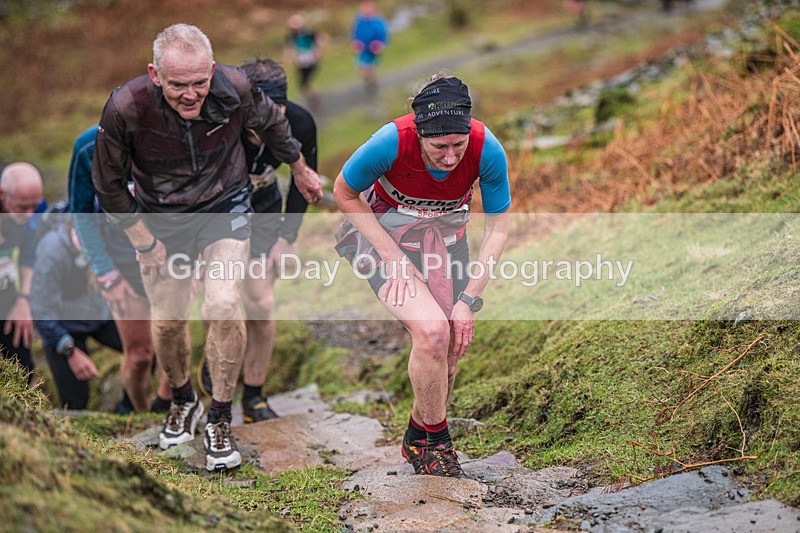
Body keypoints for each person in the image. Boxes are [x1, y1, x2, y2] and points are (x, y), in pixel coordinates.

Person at [92, 23, 322, 471]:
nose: (191, 94)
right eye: (178, 85)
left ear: (212, 70)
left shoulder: (233, 86)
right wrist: (143, 242)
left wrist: (298, 166)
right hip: (161, 217)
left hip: (225, 206)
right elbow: (108, 185)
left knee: (222, 303)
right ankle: (182, 400)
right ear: (155, 75)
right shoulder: (127, 106)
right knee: (169, 320)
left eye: (200, 82)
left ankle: (219, 416)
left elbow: (274, 122)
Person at [334, 75, 511, 478]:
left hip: (448, 243)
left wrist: (470, 300)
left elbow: (499, 227)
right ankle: (437, 445)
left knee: (447, 355)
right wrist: (391, 254)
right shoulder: (390, 141)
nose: (451, 158)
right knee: (432, 332)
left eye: (458, 146)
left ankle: (417, 432)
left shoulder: (487, 148)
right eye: (439, 147)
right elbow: (343, 192)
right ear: (420, 134)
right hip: (386, 240)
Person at [235, 57, 318, 422]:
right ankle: (217, 366)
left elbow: (302, 183)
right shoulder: (221, 122)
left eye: (278, 109)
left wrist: (288, 237)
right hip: (218, 212)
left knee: (261, 301)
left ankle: (254, 395)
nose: (270, 118)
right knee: (223, 299)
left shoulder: (300, 123)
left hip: (265, 207)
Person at [68, 125, 171, 413]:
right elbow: (81, 214)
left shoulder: (170, 133)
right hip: (122, 262)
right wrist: (106, 273)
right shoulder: (88, 147)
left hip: (171, 255)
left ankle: (169, 411)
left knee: (171, 343)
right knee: (140, 355)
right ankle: (141, 415)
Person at [30, 216, 127, 411]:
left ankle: (128, 409)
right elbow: (41, 311)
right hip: (63, 327)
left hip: (100, 315)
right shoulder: (52, 251)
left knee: (144, 350)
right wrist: (70, 351)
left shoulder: (112, 238)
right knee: (75, 404)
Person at [0, 162, 47, 384]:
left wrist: (24, 300)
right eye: (22, 208)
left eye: (34, 206)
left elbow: (31, 252)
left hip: (8, 292)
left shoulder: (35, 207)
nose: (29, 215)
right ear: (3, 195)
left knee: (22, 366)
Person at [284, 14, 326, 112]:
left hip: (310, 61)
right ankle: (313, 97)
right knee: (303, 84)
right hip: (301, 63)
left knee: (305, 82)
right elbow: (288, 48)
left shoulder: (309, 33)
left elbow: (321, 39)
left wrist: (318, 53)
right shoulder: (292, 36)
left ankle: (314, 98)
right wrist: (289, 58)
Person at [350, 0, 390, 94]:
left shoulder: (378, 21)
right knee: (361, 69)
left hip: (373, 49)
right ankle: (368, 81)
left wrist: (381, 45)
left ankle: (373, 82)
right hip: (362, 49)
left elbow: (383, 35)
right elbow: (354, 33)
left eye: (368, 7)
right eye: (363, 7)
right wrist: (353, 43)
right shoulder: (358, 20)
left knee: (370, 68)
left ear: (373, 8)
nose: (366, 9)